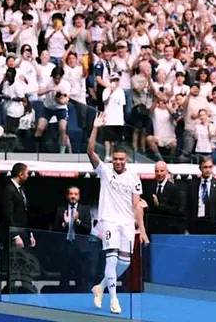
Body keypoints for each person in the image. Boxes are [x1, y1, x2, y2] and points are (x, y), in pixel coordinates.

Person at [88, 112, 149, 315]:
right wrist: (96, 127)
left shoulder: (134, 177)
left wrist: (141, 229)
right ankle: (113, 299)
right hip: (109, 222)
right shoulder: (105, 171)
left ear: (127, 159)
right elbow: (90, 151)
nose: (118, 162)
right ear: (112, 159)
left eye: (121, 159)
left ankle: (100, 287)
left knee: (125, 262)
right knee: (111, 260)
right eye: (115, 159)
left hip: (127, 224)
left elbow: (136, 205)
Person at [53, 184, 97, 291]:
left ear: (79, 196)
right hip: (65, 246)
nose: (73, 196)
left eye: (76, 194)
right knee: (64, 276)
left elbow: (88, 229)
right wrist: (65, 223)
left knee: (81, 276)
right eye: (71, 194)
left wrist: (78, 221)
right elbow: (55, 230)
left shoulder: (85, 209)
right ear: (67, 196)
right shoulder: (61, 210)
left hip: (81, 248)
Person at [187, 156, 216, 233]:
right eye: (205, 167)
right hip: (196, 224)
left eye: (210, 167)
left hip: (214, 225)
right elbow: (188, 207)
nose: (208, 170)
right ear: (200, 168)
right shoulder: (192, 185)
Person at [141, 160, 186, 234]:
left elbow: (176, 209)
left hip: (168, 228)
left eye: (162, 171)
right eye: (157, 171)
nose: (159, 173)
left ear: (166, 171)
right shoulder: (149, 187)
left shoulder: (174, 188)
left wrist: (159, 205)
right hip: (152, 228)